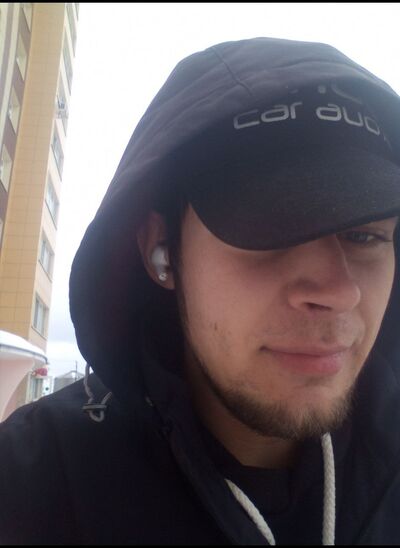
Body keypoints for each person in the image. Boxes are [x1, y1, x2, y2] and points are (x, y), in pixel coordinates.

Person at [1, 36, 400, 546]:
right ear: (162, 251)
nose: (339, 293)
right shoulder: (34, 485)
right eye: (269, 229)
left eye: (366, 236)